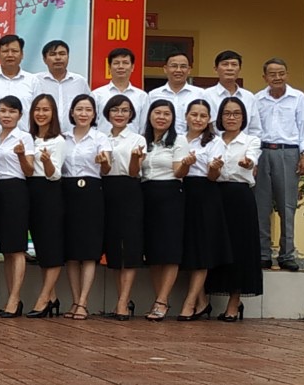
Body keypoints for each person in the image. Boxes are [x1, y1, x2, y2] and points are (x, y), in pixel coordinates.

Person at [208, 96, 264, 321]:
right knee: (214, 245)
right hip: (215, 194)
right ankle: (204, 298)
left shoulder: (251, 140)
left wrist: (247, 163)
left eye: (236, 113)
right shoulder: (212, 141)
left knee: (240, 248)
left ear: (243, 117)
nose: (231, 118)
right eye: (227, 113)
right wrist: (214, 168)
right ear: (220, 117)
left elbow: (251, 160)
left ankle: (234, 301)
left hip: (240, 197)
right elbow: (210, 173)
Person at [254, 57, 304, 270]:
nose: (277, 77)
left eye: (281, 73)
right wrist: (253, 158)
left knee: (287, 206)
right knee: (261, 206)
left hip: (288, 153)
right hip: (262, 152)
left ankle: (287, 254)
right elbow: (253, 130)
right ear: (265, 77)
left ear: (287, 74)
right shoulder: (257, 99)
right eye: (272, 74)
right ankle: (263, 253)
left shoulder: (298, 98)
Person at [176, 98, 232, 320]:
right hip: (181, 193)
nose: (198, 119)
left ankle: (190, 303)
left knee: (202, 249)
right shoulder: (178, 139)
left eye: (203, 116)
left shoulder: (214, 142)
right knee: (188, 248)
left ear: (209, 119)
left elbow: (213, 175)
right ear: (186, 116)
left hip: (204, 193)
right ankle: (202, 302)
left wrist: (214, 168)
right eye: (194, 114)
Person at [139, 100, 190, 321]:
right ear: (150, 116)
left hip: (170, 195)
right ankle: (159, 298)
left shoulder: (179, 141)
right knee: (153, 251)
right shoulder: (143, 141)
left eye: (166, 114)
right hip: (145, 194)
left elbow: (179, 172)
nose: (161, 117)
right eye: (157, 113)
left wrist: (186, 164)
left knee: (169, 250)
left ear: (173, 118)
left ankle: (161, 300)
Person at [99, 94, 146, 319]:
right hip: (107, 190)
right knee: (114, 248)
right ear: (108, 113)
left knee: (130, 246)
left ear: (131, 114)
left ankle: (123, 302)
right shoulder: (101, 138)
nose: (120, 114)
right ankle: (122, 300)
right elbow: (104, 170)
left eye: (125, 110)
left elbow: (134, 171)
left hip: (129, 189)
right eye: (115, 110)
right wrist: (103, 163)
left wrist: (135, 159)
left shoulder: (137, 139)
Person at [0, 95, 33, 316]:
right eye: (3, 111)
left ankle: (15, 299)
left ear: (20, 115)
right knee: (5, 249)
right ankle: (10, 298)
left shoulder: (24, 137)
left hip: (15, 189)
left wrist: (22, 155)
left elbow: (29, 170)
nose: (7, 115)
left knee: (17, 248)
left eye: (12, 111)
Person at [61, 94, 106, 319]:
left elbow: (106, 169)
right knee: (71, 252)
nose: (83, 113)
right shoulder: (63, 137)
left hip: (91, 192)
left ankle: (83, 302)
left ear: (94, 114)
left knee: (88, 251)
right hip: (67, 191)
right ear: (72, 112)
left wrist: (104, 162)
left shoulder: (100, 137)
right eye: (79, 109)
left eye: (88, 110)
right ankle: (74, 300)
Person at [25, 93, 66, 318]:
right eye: (37, 109)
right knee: (41, 246)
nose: (41, 114)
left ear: (53, 114)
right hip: (30, 190)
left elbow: (54, 174)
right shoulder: (28, 138)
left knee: (51, 246)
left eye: (46, 110)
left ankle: (43, 298)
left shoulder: (57, 140)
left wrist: (47, 161)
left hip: (49, 191)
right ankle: (52, 297)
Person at [202, 49, 260, 136]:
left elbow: (255, 129)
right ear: (215, 69)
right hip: (215, 143)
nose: (230, 68)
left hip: (244, 144)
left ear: (239, 69)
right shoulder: (206, 95)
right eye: (225, 64)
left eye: (234, 64)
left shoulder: (249, 97)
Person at [146, 50, 204, 135]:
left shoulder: (200, 94)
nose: (178, 70)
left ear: (189, 70)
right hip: (162, 141)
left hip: (192, 141)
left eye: (183, 66)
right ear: (165, 69)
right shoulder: (153, 95)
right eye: (174, 66)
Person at [93, 47, 149, 134]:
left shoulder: (142, 96)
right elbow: (92, 125)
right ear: (109, 67)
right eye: (116, 63)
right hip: (103, 142)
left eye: (125, 63)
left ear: (132, 67)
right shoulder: (97, 94)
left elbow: (144, 127)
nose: (121, 67)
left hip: (132, 142)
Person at [35, 40, 89, 123]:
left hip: (74, 130)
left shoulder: (80, 82)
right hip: (44, 130)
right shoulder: (35, 81)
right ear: (44, 59)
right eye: (53, 54)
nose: (58, 58)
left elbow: (89, 108)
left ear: (68, 57)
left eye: (62, 54)